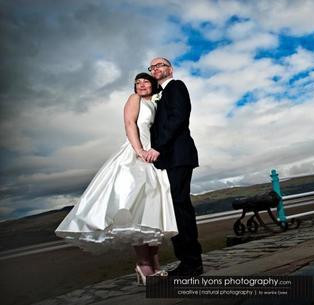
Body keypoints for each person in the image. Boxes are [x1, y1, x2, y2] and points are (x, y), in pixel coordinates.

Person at [55, 73, 178, 285]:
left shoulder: (157, 102)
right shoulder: (134, 99)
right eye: (137, 82)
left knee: (151, 211)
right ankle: (143, 264)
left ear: (153, 84)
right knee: (134, 210)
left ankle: (155, 263)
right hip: (136, 154)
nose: (140, 85)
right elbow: (130, 124)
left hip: (153, 156)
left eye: (145, 81)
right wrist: (138, 150)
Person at [137, 57, 203, 276]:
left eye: (160, 65)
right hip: (167, 160)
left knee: (179, 205)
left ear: (170, 69)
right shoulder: (158, 96)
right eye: (152, 67)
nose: (156, 69)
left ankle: (192, 263)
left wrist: (157, 147)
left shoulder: (176, 86)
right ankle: (187, 261)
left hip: (178, 156)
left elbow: (178, 118)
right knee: (174, 208)